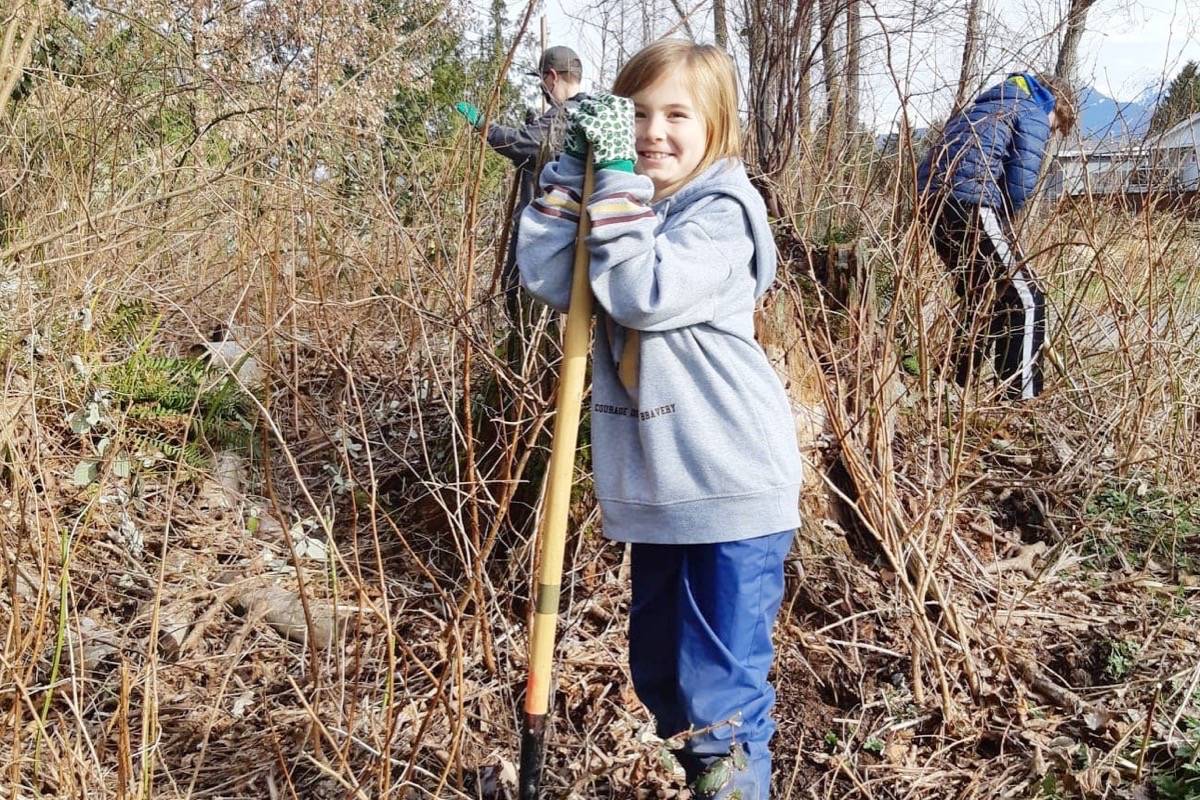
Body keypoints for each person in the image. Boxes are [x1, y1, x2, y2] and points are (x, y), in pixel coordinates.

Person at [516, 39, 802, 800]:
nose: (653, 133)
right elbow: (550, 273)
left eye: (678, 115)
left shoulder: (723, 217)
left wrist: (612, 181)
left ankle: (734, 788)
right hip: (662, 494)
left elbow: (641, 287)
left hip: (730, 484)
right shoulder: (631, 203)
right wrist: (569, 175)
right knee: (662, 680)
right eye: (636, 114)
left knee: (719, 705)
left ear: (717, 128)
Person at [917, 72, 1076, 400]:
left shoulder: (984, 105)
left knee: (981, 296)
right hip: (971, 202)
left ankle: (951, 387)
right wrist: (1002, 223)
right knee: (1027, 298)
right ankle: (1020, 403)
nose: (1050, 134)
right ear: (1056, 107)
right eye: (1055, 128)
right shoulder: (1032, 110)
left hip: (930, 204)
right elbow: (1018, 186)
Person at [453, 46, 588, 319]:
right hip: (570, 229)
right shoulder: (587, 112)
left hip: (544, 228)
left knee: (521, 295)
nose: (542, 87)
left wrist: (483, 125)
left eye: (541, 80)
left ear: (551, 77)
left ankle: (527, 359)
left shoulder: (566, 115)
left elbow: (519, 142)